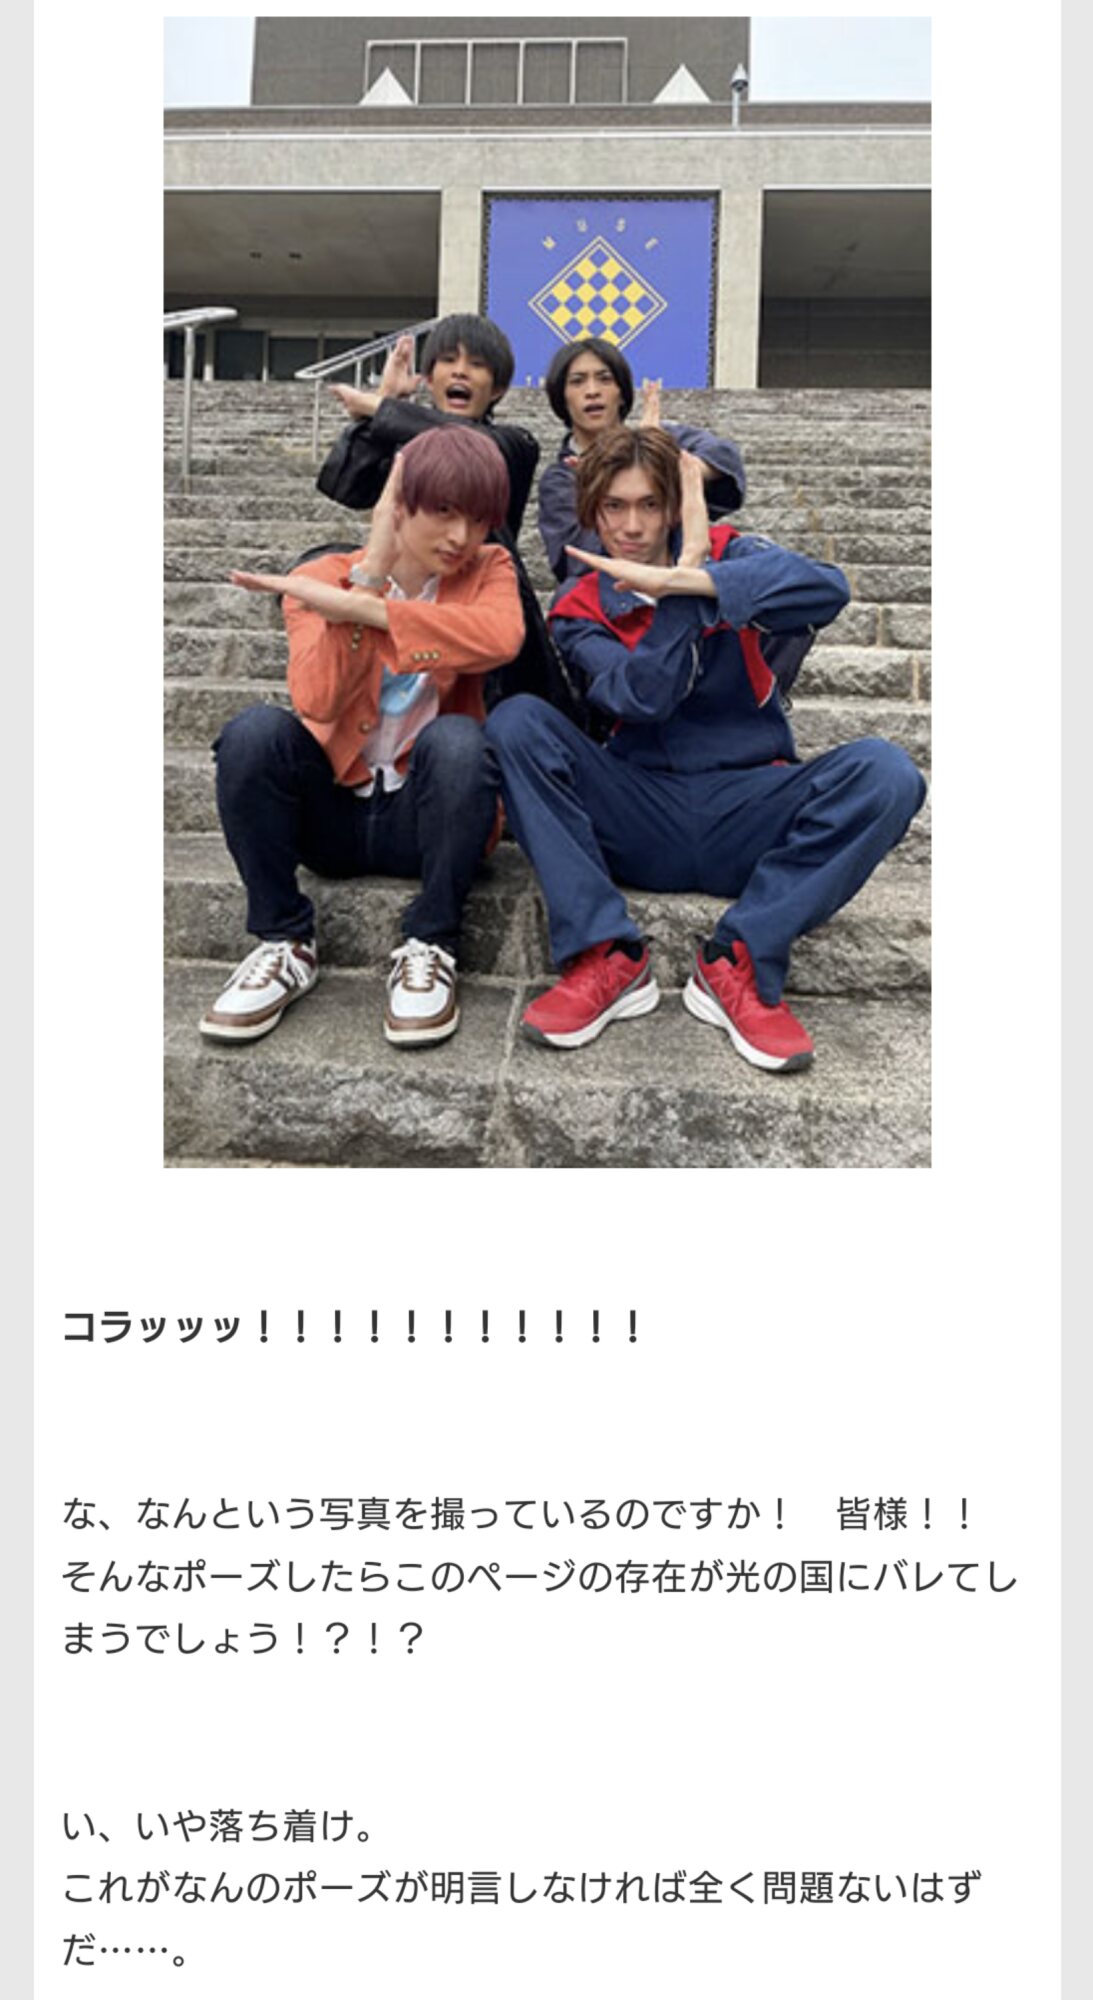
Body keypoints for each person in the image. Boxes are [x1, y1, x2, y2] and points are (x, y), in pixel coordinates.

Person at [485, 428, 926, 1071]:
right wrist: (683, 592)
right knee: (518, 722)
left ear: (675, 506)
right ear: (591, 513)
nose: (632, 526)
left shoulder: (732, 553)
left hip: (751, 808)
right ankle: (606, 954)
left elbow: (827, 589)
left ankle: (738, 960)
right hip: (639, 811)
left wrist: (702, 574)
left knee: (888, 773)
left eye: (649, 504)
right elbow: (643, 697)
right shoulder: (578, 606)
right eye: (614, 507)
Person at [200, 426, 524, 1050]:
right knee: (252, 734)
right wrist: (369, 576)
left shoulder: (490, 567)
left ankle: (431, 942)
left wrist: (358, 610)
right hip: (331, 819)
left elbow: (500, 637)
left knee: (460, 741)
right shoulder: (321, 576)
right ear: (398, 505)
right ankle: (283, 941)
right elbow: (317, 699)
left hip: (424, 822)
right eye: (444, 511)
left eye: (479, 519)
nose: (462, 536)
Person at [318, 313, 569, 711]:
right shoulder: (407, 445)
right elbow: (345, 486)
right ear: (428, 378)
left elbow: (472, 443)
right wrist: (385, 404)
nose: (460, 372)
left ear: (498, 388)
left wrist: (379, 408)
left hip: (480, 607)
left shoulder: (514, 443)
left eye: (477, 364)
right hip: (409, 596)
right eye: (448, 360)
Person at [536, 336, 747, 583]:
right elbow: (575, 560)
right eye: (577, 381)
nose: (592, 391)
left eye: (605, 379)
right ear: (561, 398)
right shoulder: (561, 478)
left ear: (622, 393)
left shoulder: (660, 440)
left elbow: (726, 457)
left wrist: (662, 463)